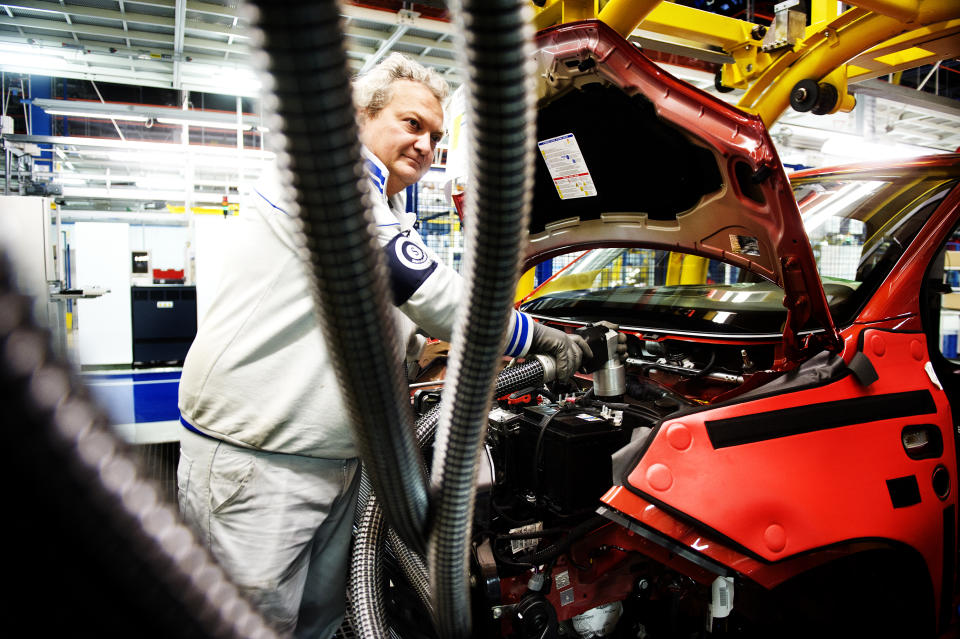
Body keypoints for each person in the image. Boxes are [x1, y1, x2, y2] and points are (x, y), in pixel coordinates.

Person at [176, 52, 590, 638]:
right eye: (411, 123)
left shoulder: (387, 208)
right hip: (258, 463)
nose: (426, 144)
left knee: (321, 620)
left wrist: (422, 350)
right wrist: (535, 334)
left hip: (336, 461)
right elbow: (423, 288)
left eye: (436, 135)